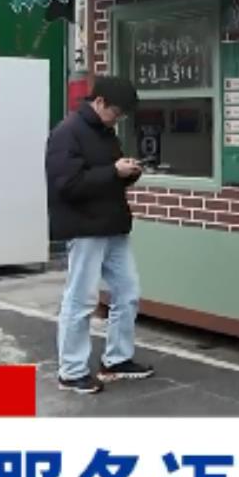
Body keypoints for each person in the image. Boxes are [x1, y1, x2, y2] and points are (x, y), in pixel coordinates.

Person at [46, 76, 154, 394]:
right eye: (115, 113)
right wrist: (112, 172)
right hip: (84, 228)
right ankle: (71, 371)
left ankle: (117, 359)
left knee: (128, 292)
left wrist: (128, 173)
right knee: (81, 299)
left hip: (113, 225)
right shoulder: (66, 133)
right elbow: (66, 185)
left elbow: (108, 178)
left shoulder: (106, 133)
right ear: (100, 102)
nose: (117, 119)